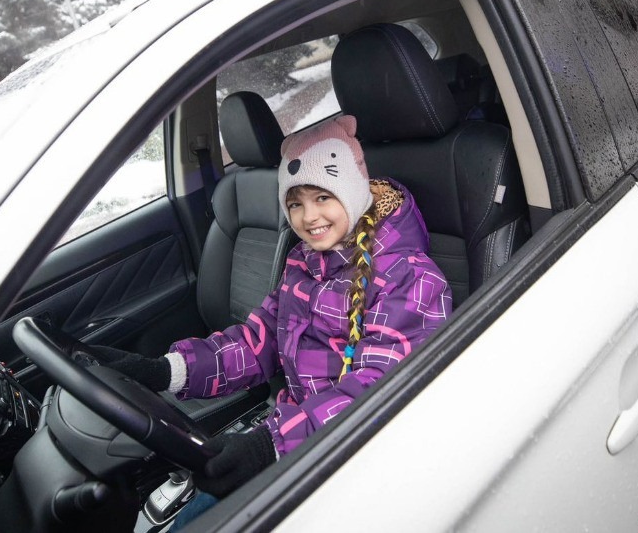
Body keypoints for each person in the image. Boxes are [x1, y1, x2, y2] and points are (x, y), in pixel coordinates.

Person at [92, 115, 450, 519]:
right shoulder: (304, 261)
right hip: (300, 435)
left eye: (322, 198)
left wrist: (271, 444)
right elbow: (256, 343)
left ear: (351, 192)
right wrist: (165, 371)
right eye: (295, 204)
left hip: (357, 453)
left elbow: (381, 392)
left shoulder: (410, 279)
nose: (308, 217)